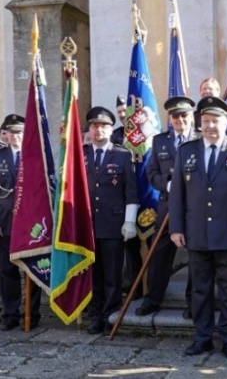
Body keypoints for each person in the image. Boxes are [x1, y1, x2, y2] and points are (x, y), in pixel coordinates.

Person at [169, 96, 227, 360]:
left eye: (215, 121)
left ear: (225, 122)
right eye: (205, 121)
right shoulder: (187, 151)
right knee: (200, 289)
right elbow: (177, 196)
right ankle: (203, 337)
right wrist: (176, 228)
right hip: (196, 232)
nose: (210, 126)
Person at [136, 96, 198, 317]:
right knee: (159, 254)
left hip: (194, 208)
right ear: (170, 119)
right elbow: (151, 173)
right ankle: (153, 299)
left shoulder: (199, 139)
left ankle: (193, 304)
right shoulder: (160, 141)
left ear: (191, 117)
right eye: (175, 116)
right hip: (167, 206)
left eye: (184, 115)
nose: (180, 120)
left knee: (196, 257)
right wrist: (168, 184)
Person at [83, 107, 139, 334]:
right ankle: (95, 314)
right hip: (86, 225)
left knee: (113, 275)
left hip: (113, 224)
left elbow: (131, 192)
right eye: (95, 126)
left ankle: (110, 315)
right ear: (89, 128)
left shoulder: (123, 155)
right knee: (93, 274)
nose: (99, 130)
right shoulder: (80, 154)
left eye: (104, 126)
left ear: (110, 129)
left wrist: (130, 221)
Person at [0, 115, 41, 330]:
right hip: (5, 224)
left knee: (33, 272)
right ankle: (10, 315)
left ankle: (32, 314)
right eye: (12, 133)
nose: (15, 137)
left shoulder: (37, 156)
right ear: (6, 135)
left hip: (33, 226)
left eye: (20, 133)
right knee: (7, 271)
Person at [109, 95, 143, 297]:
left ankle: (138, 286)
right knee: (121, 248)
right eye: (120, 112)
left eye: (126, 111)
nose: (123, 115)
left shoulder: (143, 132)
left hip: (143, 195)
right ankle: (127, 284)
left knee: (135, 249)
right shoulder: (115, 136)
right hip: (118, 199)